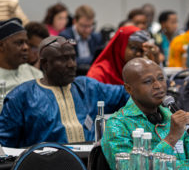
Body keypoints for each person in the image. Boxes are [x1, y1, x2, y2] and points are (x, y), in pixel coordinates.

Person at [0, 36, 129, 148]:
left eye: (73, 58)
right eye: (63, 59)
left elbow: (127, 94)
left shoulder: (87, 87)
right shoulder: (21, 97)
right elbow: (5, 147)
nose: (72, 64)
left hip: (88, 165)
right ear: (45, 64)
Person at [101, 57, 189, 170]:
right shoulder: (118, 125)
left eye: (161, 78)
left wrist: (164, 169)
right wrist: (171, 138)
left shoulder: (174, 117)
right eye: (148, 81)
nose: (158, 86)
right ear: (129, 89)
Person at [87, 25, 160, 85]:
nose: (138, 54)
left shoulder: (138, 70)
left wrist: (155, 58)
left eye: (141, 50)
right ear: (120, 46)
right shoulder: (99, 73)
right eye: (133, 48)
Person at [0, 18, 42, 95]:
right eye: (19, 43)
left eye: (26, 43)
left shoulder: (34, 73)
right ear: (2, 46)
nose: (26, 47)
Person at [59, 5, 103, 74]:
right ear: (74, 21)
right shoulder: (65, 36)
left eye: (90, 25)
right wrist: (92, 59)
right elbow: (68, 61)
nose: (87, 30)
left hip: (93, 74)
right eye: (84, 26)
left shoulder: (96, 37)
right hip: (74, 74)